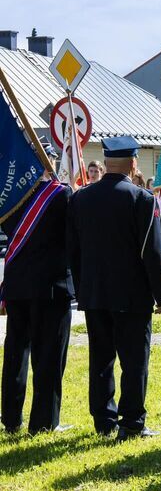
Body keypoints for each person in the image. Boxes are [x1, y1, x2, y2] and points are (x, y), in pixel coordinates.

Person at [67, 136, 161, 440]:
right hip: (132, 295)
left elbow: (74, 250)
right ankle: (132, 422)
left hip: (95, 293)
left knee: (101, 359)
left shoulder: (80, 198)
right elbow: (152, 252)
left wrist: (82, 287)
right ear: (134, 163)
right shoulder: (141, 198)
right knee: (135, 361)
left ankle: (103, 420)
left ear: (107, 161)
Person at [1, 177, 73, 435]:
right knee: (49, 356)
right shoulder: (60, 194)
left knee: (15, 354)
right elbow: (72, 237)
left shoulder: (11, 195)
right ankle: (44, 421)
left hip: (17, 284)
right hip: (51, 286)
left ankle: (11, 419)